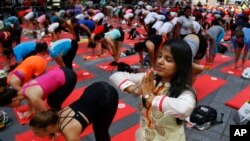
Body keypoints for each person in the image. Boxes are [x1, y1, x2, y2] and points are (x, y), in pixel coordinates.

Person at [110, 38, 196, 141]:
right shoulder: (151, 79)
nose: (159, 61)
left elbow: (184, 109)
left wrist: (149, 96)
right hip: (144, 136)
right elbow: (116, 76)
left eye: (168, 60)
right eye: (160, 56)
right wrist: (135, 90)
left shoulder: (185, 90)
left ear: (180, 65)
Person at [29, 81, 118, 141]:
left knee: (100, 131)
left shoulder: (69, 133)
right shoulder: (55, 116)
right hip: (95, 87)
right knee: (93, 115)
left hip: (107, 96)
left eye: (36, 132)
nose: (34, 134)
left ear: (48, 128)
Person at [0, 67, 77, 116]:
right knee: (51, 100)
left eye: (10, 106)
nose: (12, 108)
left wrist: (52, 132)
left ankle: (62, 121)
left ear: (13, 100)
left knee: (53, 104)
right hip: (61, 70)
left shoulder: (33, 97)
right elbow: (30, 102)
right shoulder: (23, 90)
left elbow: (45, 115)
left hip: (69, 77)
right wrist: (31, 112)